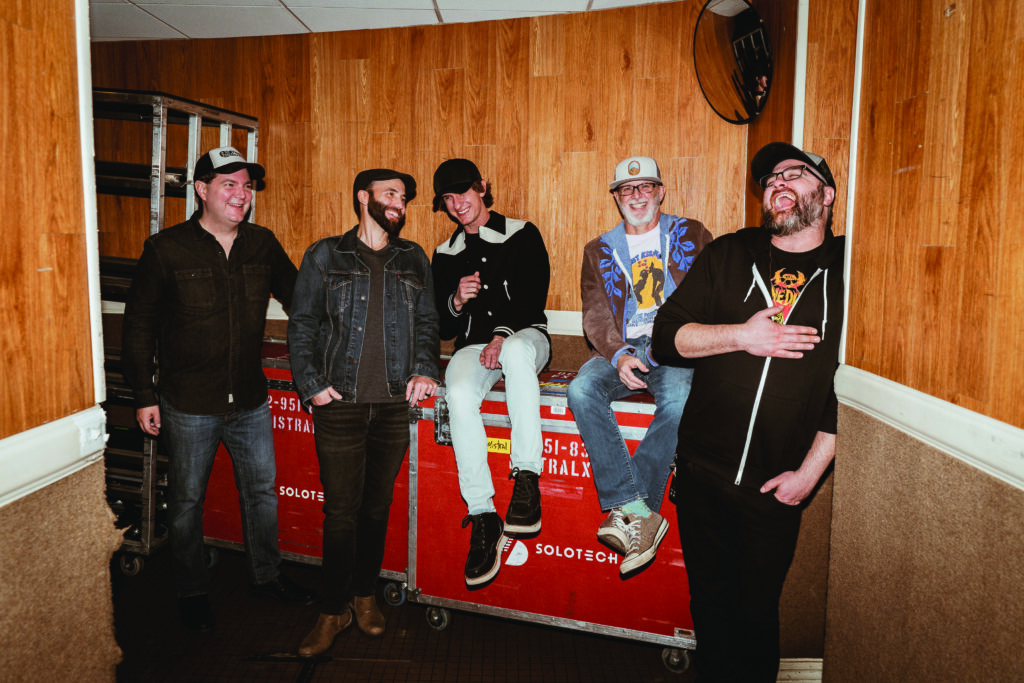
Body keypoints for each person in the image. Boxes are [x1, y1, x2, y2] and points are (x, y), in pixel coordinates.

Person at [651, 142, 844, 682]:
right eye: (769, 178)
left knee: (755, 614)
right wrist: (743, 335)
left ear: (826, 194)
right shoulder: (729, 253)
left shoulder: (853, 269)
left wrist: (808, 475)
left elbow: (851, 390)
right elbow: (666, 339)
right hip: (700, 471)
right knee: (708, 607)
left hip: (774, 483)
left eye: (794, 174)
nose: (777, 182)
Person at [122, 146, 313, 633]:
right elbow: (139, 327)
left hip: (249, 398)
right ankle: (191, 591)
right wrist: (144, 394)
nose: (241, 194)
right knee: (186, 501)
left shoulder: (263, 244)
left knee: (262, 493)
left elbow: (303, 304)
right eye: (228, 184)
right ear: (202, 190)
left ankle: (266, 576)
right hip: (187, 404)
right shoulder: (165, 250)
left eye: (246, 185)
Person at [287, 169, 440, 656]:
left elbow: (428, 321)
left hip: (395, 406)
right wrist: (313, 387)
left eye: (403, 197)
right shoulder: (325, 254)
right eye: (390, 194)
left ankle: (364, 596)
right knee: (341, 513)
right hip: (341, 406)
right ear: (363, 198)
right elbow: (303, 323)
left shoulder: (412, 256)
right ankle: (332, 610)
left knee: (376, 509)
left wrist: (423, 368)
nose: (399, 202)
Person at [567, 156, 711, 576]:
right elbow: (594, 314)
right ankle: (638, 509)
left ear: (661, 192)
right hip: (623, 348)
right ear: (615, 197)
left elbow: (710, 293)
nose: (636, 195)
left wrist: (672, 344)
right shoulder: (598, 250)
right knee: (580, 389)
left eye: (645, 186)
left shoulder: (692, 233)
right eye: (627, 189)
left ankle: (634, 509)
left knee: (682, 399)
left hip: (676, 346)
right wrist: (618, 354)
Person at [430, 158, 551, 587]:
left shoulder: (521, 233)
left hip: (525, 337)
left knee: (516, 351)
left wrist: (501, 336)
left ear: (483, 188)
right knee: (457, 393)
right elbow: (443, 327)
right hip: (474, 347)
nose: (457, 204)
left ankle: (526, 478)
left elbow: (533, 299)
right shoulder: (445, 254)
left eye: (463, 192)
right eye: (448, 198)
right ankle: (482, 514)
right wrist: (456, 302)